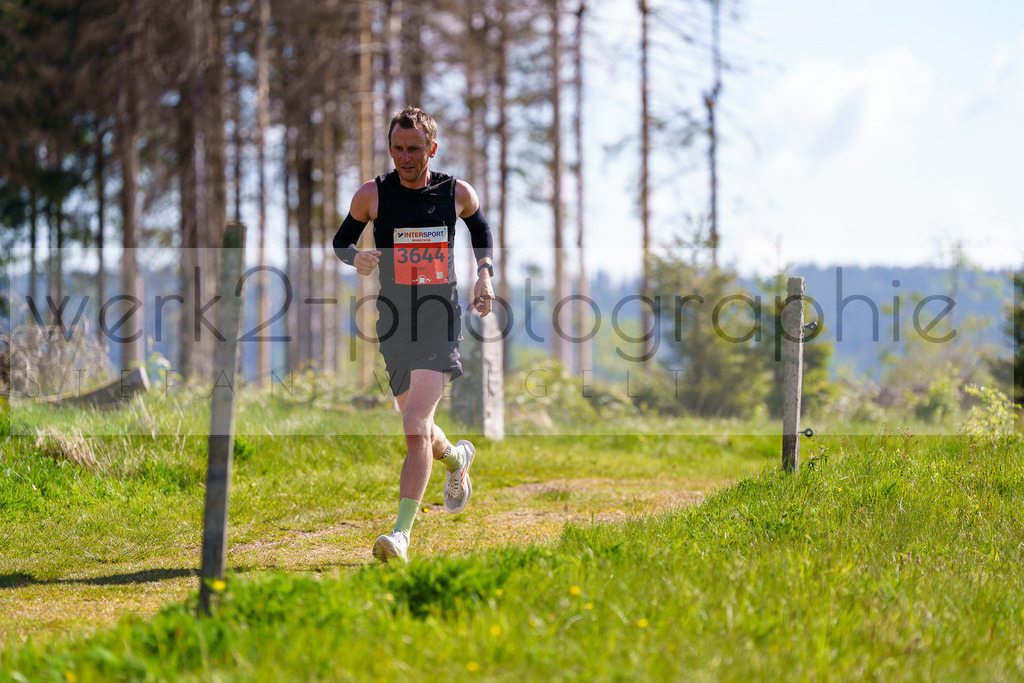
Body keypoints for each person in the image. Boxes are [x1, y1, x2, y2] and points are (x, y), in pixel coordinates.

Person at [333, 106, 495, 564]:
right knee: (418, 424)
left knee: (411, 428)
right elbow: (341, 241)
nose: (405, 158)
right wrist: (355, 258)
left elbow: (480, 229)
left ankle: (400, 535)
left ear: (432, 149)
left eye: (415, 150)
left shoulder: (455, 191)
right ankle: (456, 461)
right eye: (397, 149)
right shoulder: (373, 195)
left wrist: (485, 274)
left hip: (439, 318)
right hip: (393, 321)